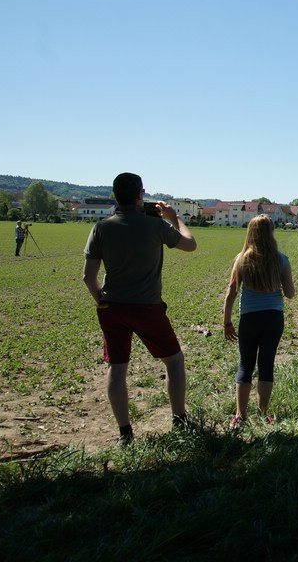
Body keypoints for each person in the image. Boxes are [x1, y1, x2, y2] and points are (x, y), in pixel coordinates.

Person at [82, 172, 197, 446]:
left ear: (114, 195)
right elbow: (190, 245)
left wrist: (101, 300)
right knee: (174, 361)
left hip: (112, 307)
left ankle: (125, 433)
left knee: (117, 368)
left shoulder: (101, 227)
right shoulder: (154, 226)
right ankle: (179, 419)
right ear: (139, 195)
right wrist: (174, 218)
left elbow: (88, 276)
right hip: (147, 307)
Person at [223, 215, 296, 427]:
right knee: (266, 364)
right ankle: (263, 414)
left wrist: (227, 322)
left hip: (249, 318)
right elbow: (290, 294)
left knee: (245, 365)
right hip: (273, 318)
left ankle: (240, 416)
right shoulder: (281, 260)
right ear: (271, 232)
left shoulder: (240, 260)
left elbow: (231, 294)